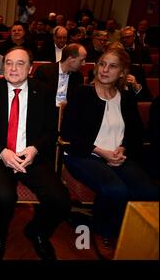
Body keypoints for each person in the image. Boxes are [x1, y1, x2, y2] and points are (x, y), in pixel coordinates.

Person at [60, 47, 158, 260]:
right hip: (84, 155)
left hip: (118, 156)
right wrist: (101, 152)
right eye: (102, 64)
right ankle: (102, 232)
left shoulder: (126, 98)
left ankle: (128, 228)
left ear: (122, 72)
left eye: (112, 66)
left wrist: (123, 149)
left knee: (150, 191)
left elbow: (136, 134)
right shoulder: (82, 93)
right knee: (116, 189)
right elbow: (68, 133)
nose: (104, 70)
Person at [0, 47, 71, 260]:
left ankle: (37, 231)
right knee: (4, 196)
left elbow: (51, 131)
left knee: (61, 199)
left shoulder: (44, 91)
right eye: (8, 63)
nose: (13, 68)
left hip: (31, 157)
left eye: (20, 63)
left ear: (30, 68)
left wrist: (34, 149)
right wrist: (2, 153)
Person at [34, 43, 86, 108]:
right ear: (70, 59)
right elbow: (37, 97)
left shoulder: (78, 77)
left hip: (67, 113)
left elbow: (76, 102)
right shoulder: (44, 71)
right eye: (81, 60)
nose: (84, 64)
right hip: (46, 110)